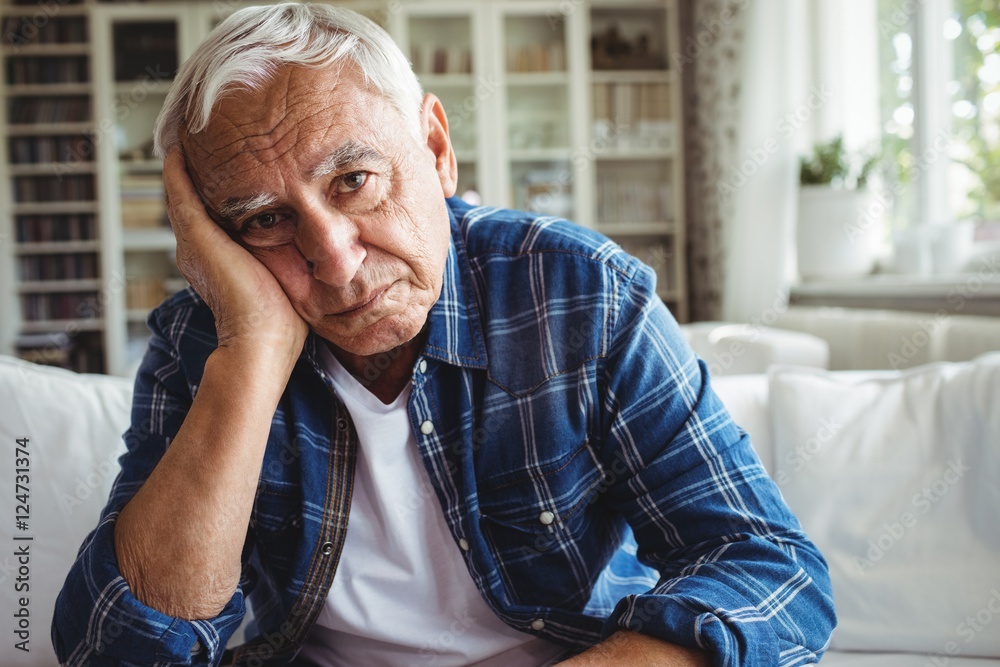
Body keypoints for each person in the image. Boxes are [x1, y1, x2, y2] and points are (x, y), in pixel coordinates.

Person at [52, 4, 835, 666]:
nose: (333, 259)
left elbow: (771, 569)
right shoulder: (205, 340)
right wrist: (251, 355)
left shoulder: (580, 293)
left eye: (353, 180)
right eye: (265, 219)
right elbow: (110, 645)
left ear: (435, 148)